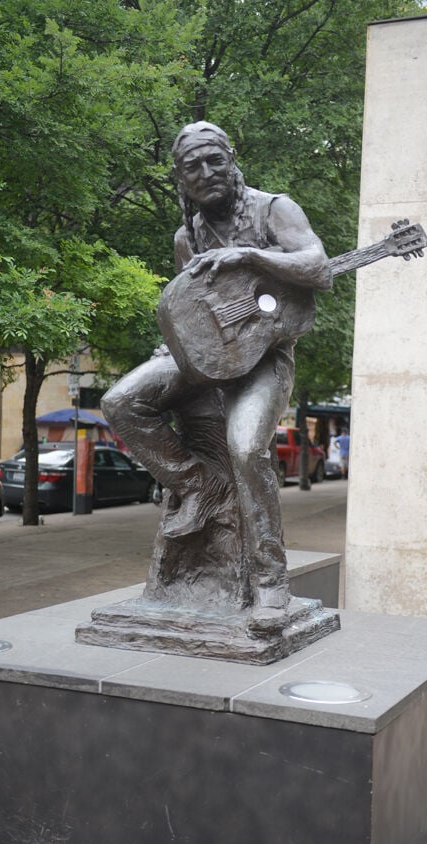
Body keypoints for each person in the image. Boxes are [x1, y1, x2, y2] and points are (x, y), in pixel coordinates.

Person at [102, 121, 332, 636]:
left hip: (266, 359)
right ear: (180, 179)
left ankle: (272, 583)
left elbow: (318, 266)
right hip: (208, 360)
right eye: (193, 167)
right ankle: (198, 483)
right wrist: (177, 348)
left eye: (214, 160)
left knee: (247, 447)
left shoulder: (275, 209)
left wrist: (250, 254)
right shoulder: (187, 237)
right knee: (121, 402)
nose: (206, 173)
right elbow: (197, 312)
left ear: (231, 159)